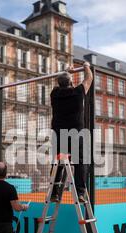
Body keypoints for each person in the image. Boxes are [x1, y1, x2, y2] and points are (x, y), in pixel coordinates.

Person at [50, 61, 93, 203]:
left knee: (58, 163)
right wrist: (86, 66)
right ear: (70, 83)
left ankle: (54, 193)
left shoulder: (54, 94)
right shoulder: (78, 92)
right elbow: (89, 79)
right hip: (75, 132)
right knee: (81, 161)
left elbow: (62, 83)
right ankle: (80, 192)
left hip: (59, 133)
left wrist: (67, 72)